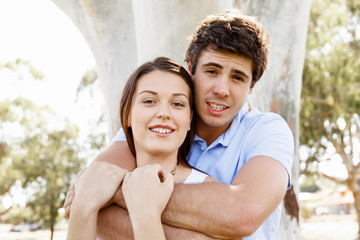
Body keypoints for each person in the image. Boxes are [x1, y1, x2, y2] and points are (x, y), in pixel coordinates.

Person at [65, 9, 294, 239]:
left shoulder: (268, 130)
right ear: (190, 68)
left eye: (237, 78)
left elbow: (242, 217)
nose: (222, 89)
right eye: (212, 71)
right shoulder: (157, 123)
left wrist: (120, 194)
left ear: (251, 86)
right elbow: (82, 199)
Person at [66, 57, 218, 240]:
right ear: (128, 114)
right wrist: (82, 207)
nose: (163, 113)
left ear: (189, 120)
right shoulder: (96, 182)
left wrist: (146, 215)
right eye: (149, 101)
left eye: (177, 104)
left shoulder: (212, 192)